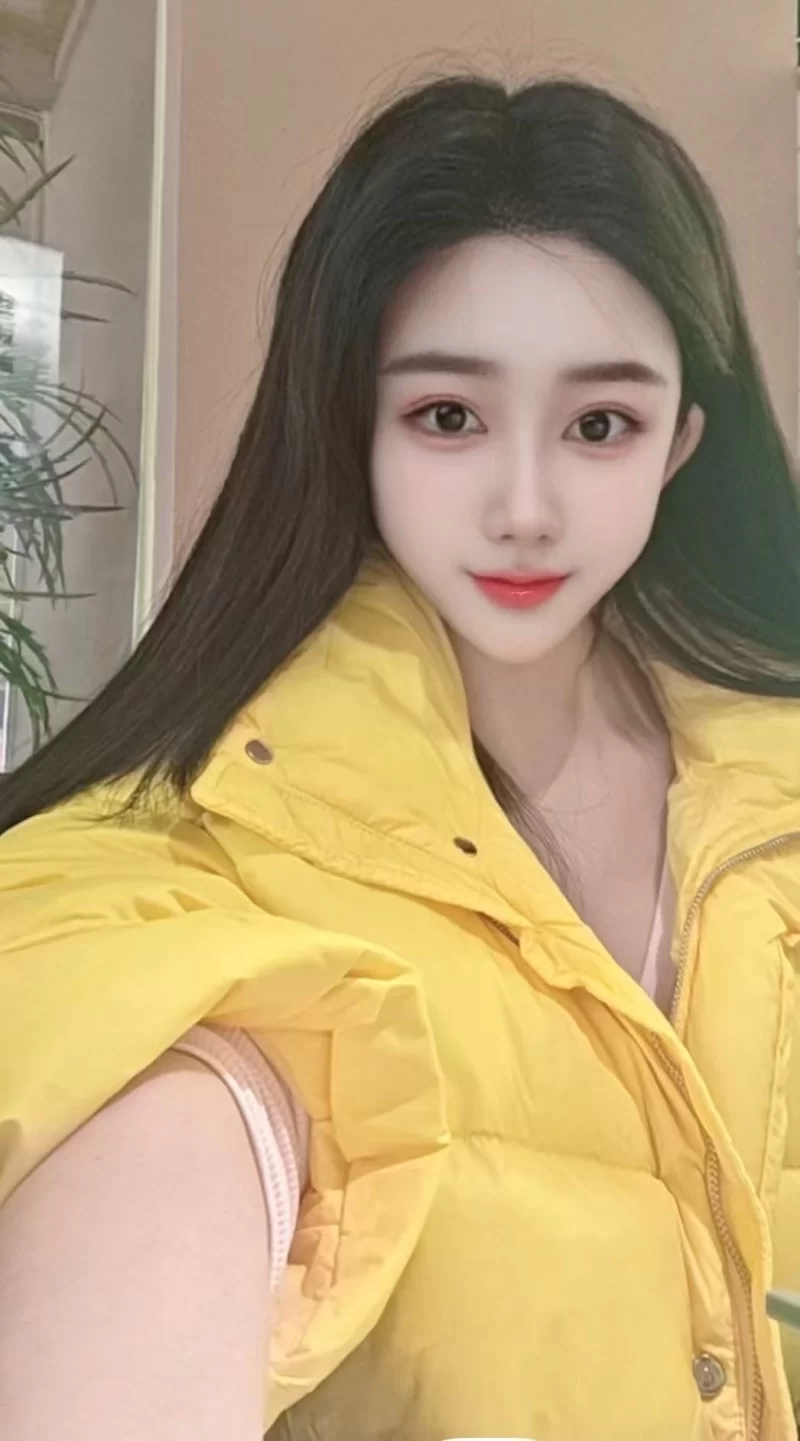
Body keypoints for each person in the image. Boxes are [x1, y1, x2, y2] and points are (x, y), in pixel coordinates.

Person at [1, 71, 800, 1441]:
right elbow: (115, 1025)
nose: (525, 508)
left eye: (598, 425)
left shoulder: (771, 784)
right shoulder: (201, 849)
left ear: (679, 446)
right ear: (353, 426)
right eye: (449, 417)